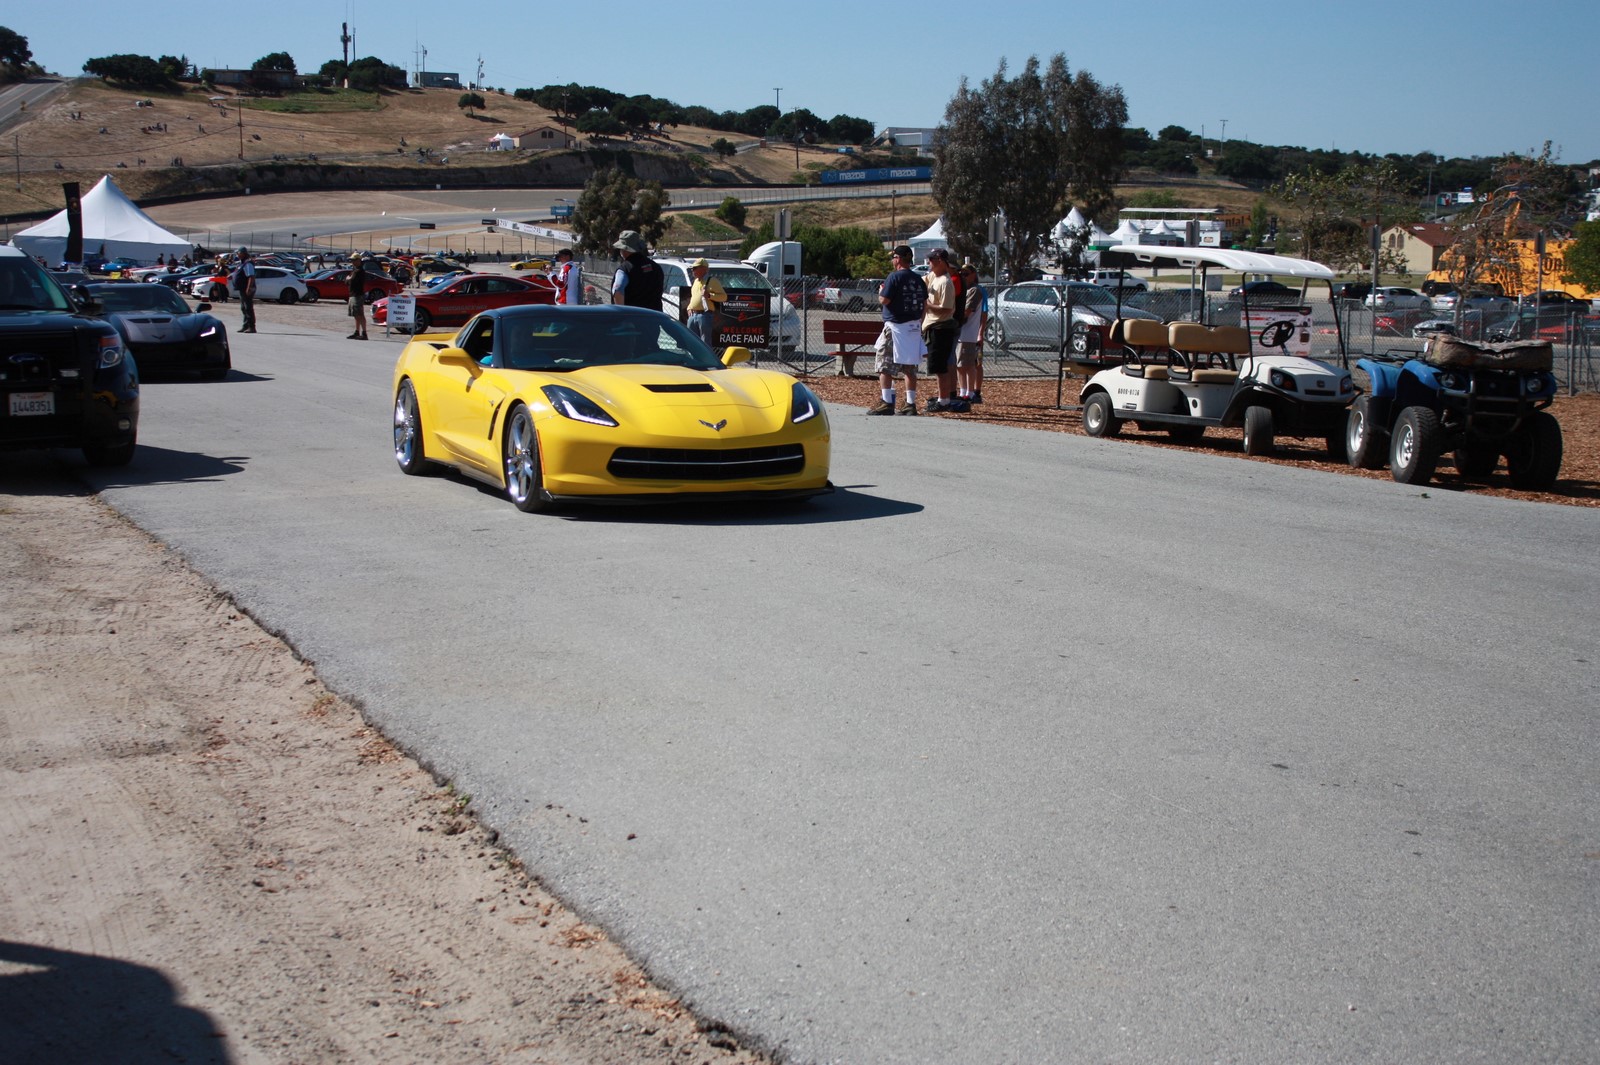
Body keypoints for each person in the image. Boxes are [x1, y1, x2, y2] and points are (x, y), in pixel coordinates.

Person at [866, 246, 927, 416]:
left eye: (893, 257)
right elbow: (925, 304)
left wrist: (880, 293)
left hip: (895, 327)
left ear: (898, 258)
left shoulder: (894, 277)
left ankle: (887, 401)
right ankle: (910, 403)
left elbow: (885, 299)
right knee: (910, 366)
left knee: (884, 364)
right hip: (913, 327)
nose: (892, 260)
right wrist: (919, 322)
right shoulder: (918, 279)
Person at [921, 249, 966, 412]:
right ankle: (943, 398)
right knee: (938, 365)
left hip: (941, 328)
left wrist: (927, 305)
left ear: (940, 260)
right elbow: (922, 281)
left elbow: (947, 309)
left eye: (931, 260)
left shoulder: (946, 283)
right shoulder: (934, 277)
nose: (929, 263)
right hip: (933, 327)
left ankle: (944, 401)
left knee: (940, 367)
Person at [956, 260, 986, 404]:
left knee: (969, 365)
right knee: (959, 365)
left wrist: (981, 332)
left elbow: (967, 312)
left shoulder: (975, 290)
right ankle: (963, 391)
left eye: (966, 274)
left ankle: (971, 393)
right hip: (960, 334)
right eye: (961, 274)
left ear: (973, 275)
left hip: (968, 334)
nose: (963, 276)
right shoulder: (963, 290)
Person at [610, 231, 663, 312]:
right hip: (654, 318)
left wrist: (621, 315)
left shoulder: (624, 269)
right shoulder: (655, 267)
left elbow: (618, 291)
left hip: (633, 319)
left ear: (625, 250)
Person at [685, 258, 726, 345]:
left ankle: (706, 358)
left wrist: (710, 296)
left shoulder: (712, 281)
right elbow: (694, 297)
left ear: (704, 269)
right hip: (693, 315)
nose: (693, 270)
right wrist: (689, 308)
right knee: (691, 341)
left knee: (705, 342)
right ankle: (694, 358)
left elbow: (723, 297)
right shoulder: (696, 281)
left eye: (695, 268)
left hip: (705, 315)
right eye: (692, 268)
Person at [233, 247, 257, 333]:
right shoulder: (241, 263)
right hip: (242, 289)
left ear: (243, 253)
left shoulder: (248, 264)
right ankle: (245, 325)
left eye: (238, 253)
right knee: (243, 307)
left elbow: (251, 276)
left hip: (246, 288)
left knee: (248, 308)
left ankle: (252, 327)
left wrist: (249, 288)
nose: (237, 255)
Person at [346, 254, 370, 340]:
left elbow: (352, 280)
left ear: (359, 261)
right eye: (352, 260)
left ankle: (364, 333)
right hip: (353, 294)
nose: (352, 262)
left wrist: (349, 279)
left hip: (358, 295)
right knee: (356, 314)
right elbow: (347, 281)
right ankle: (357, 331)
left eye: (354, 260)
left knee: (360, 314)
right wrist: (349, 279)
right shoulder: (354, 270)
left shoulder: (360, 271)